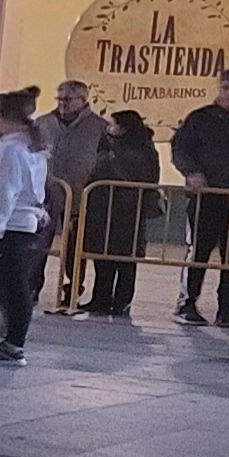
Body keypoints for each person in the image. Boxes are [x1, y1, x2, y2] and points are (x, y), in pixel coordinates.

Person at [0, 91, 52, 365]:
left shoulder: (9, 150)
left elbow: (2, 195)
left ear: (6, 117)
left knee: (12, 286)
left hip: (11, 225)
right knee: (12, 284)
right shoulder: (33, 148)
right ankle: (0, 336)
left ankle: (12, 343)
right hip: (26, 222)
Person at [36, 80, 111, 308]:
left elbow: (106, 158)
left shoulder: (100, 127)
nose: (62, 104)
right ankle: (31, 287)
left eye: (68, 99)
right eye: (59, 99)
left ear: (83, 100)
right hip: (46, 193)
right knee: (38, 244)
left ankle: (72, 289)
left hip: (81, 195)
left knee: (74, 248)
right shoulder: (43, 123)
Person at [81, 109, 157, 318]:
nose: (109, 128)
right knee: (102, 255)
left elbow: (148, 178)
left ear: (124, 128)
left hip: (128, 210)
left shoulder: (141, 149)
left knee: (125, 258)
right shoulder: (107, 145)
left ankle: (122, 300)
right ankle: (101, 298)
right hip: (103, 207)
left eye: (113, 124)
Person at [177, 70, 229, 325]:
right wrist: (192, 173)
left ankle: (227, 309)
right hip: (205, 197)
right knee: (198, 252)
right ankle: (187, 303)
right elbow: (181, 149)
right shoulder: (200, 119)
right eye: (226, 88)